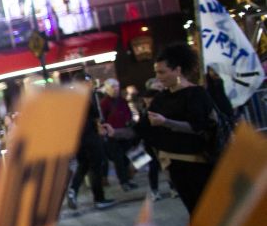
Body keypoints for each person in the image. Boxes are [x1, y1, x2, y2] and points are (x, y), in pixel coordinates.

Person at [106, 44, 219, 214]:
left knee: (206, 212)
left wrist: (167, 122)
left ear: (178, 70)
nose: (158, 77)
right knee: (194, 211)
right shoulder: (161, 98)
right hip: (174, 166)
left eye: (162, 72)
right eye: (157, 72)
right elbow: (141, 128)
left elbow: (199, 127)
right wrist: (114, 132)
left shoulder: (196, 94)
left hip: (199, 166)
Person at [66, 77, 117, 211]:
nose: (90, 84)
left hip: (77, 138)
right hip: (90, 136)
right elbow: (96, 116)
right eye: (87, 82)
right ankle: (99, 198)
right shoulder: (86, 97)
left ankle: (73, 190)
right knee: (96, 166)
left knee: (83, 165)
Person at [98, 78, 137, 191]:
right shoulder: (104, 103)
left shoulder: (122, 100)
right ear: (107, 89)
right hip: (113, 135)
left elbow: (128, 114)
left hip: (124, 133)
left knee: (126, 158)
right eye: (113, 87)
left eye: (117, 87)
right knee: (118, 159)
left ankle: (128, 180)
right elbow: (102, 120)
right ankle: (123, 181)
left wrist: (130, 122)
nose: (116, 89)